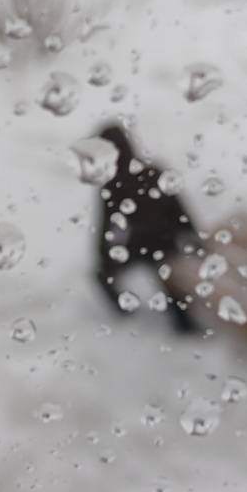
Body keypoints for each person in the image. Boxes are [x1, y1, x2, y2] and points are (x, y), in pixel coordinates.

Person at [95, 123, 200, 334]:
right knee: (170, 284)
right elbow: (180, 210)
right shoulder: (141, 175)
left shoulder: (127, 180)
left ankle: (182, 325)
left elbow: (178, 209)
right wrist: (191, 233)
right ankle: (180, 324)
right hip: (149, 242)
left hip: (158, 243)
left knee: (171, 283)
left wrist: (192, 236)